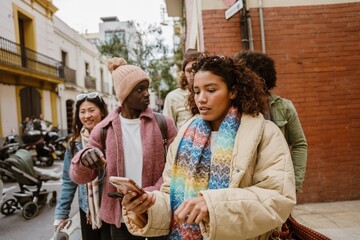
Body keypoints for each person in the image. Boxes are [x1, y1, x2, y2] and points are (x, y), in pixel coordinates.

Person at [120, 54, 296, 240]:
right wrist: (149, 205)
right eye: (196, 91)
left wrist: (212, 206)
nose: (201, 99)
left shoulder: (264, 133)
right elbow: (171, 196)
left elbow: (277, 198)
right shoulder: (184, 135)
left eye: (211, 90)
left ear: (233, 91)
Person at [70, 57, 178, 240]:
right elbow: (78, 177)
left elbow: (177, 166)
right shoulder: (103, 129)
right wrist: (84, 158)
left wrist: (152, 193)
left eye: (147, 88)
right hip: (120, 219)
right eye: (139, 89)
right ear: (124, 94)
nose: (147, 94)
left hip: (157, 210)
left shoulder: (163, 124)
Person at [234, 51, 308, 192]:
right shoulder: (234, 110)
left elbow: (299, 144)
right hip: (244, 187)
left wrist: (295, 182)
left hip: (276, 184)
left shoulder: (283, 107)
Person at [54, 92, 111, 240]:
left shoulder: (112, 137)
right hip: (87, 210)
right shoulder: (75, 143)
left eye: (91, 110)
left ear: (102, 111)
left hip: (112, 207)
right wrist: (61, 214)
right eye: (82, 111)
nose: (87, 116)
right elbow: (68, 180)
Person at [163, 49, 200, 129]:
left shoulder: (210, 94)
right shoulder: (173, 97)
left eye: (196, 69)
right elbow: (168, 130)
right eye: (189, 70)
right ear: (184, 73)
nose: (193, 74)